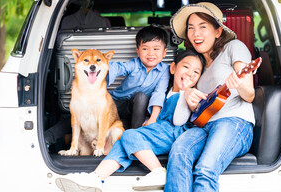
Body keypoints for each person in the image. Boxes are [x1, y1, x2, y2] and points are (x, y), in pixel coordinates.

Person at [55, 49, 206, 192]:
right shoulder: (164, 90)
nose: (190, 74)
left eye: (196, 72)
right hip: (158, 133)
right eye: (186, 67)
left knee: (129, 135)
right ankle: (95, 178)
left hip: (173, 133)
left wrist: (185, 92)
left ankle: (158, 171)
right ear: (173, 68)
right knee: (122, 143)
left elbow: (179, 121)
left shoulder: (190, 94)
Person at [164, 2, 255, 192]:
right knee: (179, 153)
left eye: (202, 27)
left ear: (218, 31)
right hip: (203, 125)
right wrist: (187, 92)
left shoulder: (233, 47)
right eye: (191, 28)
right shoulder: (198, 66)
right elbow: (192, 106)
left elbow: (250, 95)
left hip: (233, 123)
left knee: (205, 169)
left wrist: (239, 83)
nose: (196, 33)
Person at [107, 25, 170, 129]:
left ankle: (136, 132)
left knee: (141, 97)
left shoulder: (164, 71)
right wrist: (100, 64)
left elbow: (159, 93)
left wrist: (153, 119)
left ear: (164, 53)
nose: (151, 53)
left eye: (156, 49)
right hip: (115, 104)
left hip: (136, 112)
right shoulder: (134, 64)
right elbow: (119, 68)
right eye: (145, 48)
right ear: (138, 51)